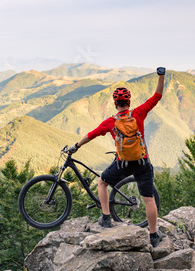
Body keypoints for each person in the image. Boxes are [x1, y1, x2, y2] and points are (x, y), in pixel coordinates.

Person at [68, 67, 166, 247]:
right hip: (143, 162)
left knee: (103, 182)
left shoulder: (111, 122)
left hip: (123, 164)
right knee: (149, 199)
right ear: (128, 101)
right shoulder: (138, 113)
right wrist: (161, 75)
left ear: (115, 103)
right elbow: (157, 95)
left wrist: (76, 146)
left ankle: (106, 217)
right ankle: (153, 236)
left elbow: (92, 134)